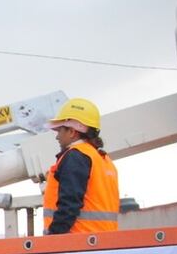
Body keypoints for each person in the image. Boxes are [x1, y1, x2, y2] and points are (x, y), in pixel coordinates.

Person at [42, 98, 120, 235]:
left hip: (79, 243)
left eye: (60, 130)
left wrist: (53, 237)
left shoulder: (75, 156)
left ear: (72, 132)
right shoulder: (103, 159)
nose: (57, 137)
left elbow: (69, 206)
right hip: (104, 243)